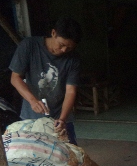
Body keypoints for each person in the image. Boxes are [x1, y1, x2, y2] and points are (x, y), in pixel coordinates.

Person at [9, 17, 82, 145]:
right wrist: (32, 100)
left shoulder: (73, 59)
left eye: (69, 48)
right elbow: (15, 78)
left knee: (69, 155)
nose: (64, 50)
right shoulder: (29, 45)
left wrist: (62, 119)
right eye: (62, 45)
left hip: (61, 116)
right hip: (31, 117)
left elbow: (70, 91)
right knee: (32, 155)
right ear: (53, 33)